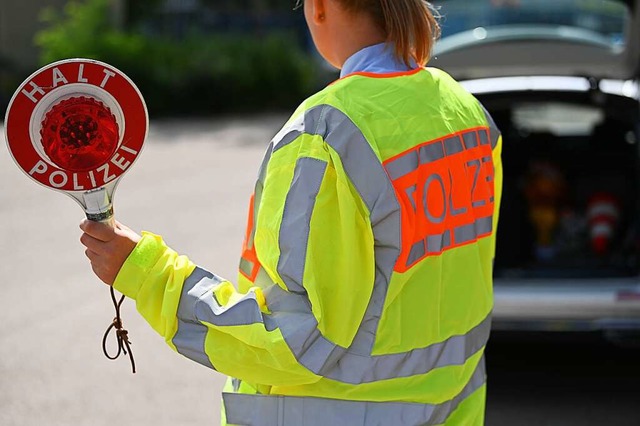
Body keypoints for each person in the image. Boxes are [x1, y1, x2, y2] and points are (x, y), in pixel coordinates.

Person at [80, 0, 503, 424]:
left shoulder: (328, 133)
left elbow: (294, 339)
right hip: (451, 406)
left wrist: (145, 271)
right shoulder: (463, 110)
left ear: (320, 8)